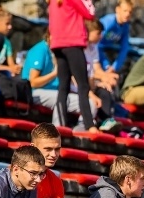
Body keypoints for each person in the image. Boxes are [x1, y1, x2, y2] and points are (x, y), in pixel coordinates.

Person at [23, 31, 98, 132]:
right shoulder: (40, 50)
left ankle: (80, 129)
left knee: (91, 104)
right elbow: (33, 82)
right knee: (62, 99)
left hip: (55, 91)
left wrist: (90, 95)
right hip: (36, 92)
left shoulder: (61, 51)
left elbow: (75, 79)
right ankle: (57, 131)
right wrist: (54, 74)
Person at [48, 0, 98, 134]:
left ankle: (61, 124)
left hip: (58, 44)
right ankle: (89, 125)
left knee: (63, 86)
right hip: (72, 43)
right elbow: (90, 14)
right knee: (83, 85)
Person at [84, 19, 119, 130]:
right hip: (80, 85)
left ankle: (106, 121)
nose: (101, 37)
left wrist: (106, 78)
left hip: (90, 82)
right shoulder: (79, 48)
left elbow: (96, 69)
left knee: (105, 89)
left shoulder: (93, 48)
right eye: (98, 33)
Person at [98, 0, 133, 75]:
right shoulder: (108, 22)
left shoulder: (125, 26)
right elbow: (96, 45)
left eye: (130, 12)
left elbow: (124, 47)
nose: (127, 14)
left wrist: (114, 67)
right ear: (117, 10)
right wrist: (106, 65)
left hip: (109, 48)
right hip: (98, 51)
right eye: (125, 11)